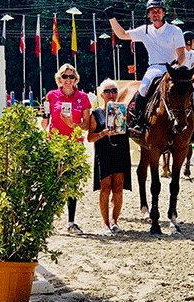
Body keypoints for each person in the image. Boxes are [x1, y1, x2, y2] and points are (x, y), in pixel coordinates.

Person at [104, 0, 186, 135]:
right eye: (152, 11)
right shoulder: (145, 30)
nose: (155, 14)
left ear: (163, 12)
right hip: (155, 68)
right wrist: (111, 17)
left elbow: (181, 54)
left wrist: (176, 68)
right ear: (148, 14)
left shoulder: (175, 30)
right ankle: (138, 122)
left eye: (158, 11)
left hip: (173, 68)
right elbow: (122, 34)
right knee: (142, 89)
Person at [41, 63, 91, 235]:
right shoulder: (51, 96)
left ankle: (71, 222)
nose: (68, 80)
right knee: (53, 184)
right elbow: (44, 124)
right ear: (59, 79)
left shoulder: (83, 97)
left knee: (72, 184)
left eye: (71, 76)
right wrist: (43, 115)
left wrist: (72, 124)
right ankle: (49, 222)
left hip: (74, 144)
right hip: (55, 144)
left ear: (75, 79)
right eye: (65, 76)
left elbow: (86, 126)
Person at [87, 79, 132, 234]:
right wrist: (102, 133)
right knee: (105, 188)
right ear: (101, 94)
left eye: (114, 91)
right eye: (107, 91)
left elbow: (131, 131)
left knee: (118, 188)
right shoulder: (96, 113)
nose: (111, 94)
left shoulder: (124, 110)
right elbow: (90, 137)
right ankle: (105, 223)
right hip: (104, 152)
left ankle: (115, 222)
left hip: (120, 150)